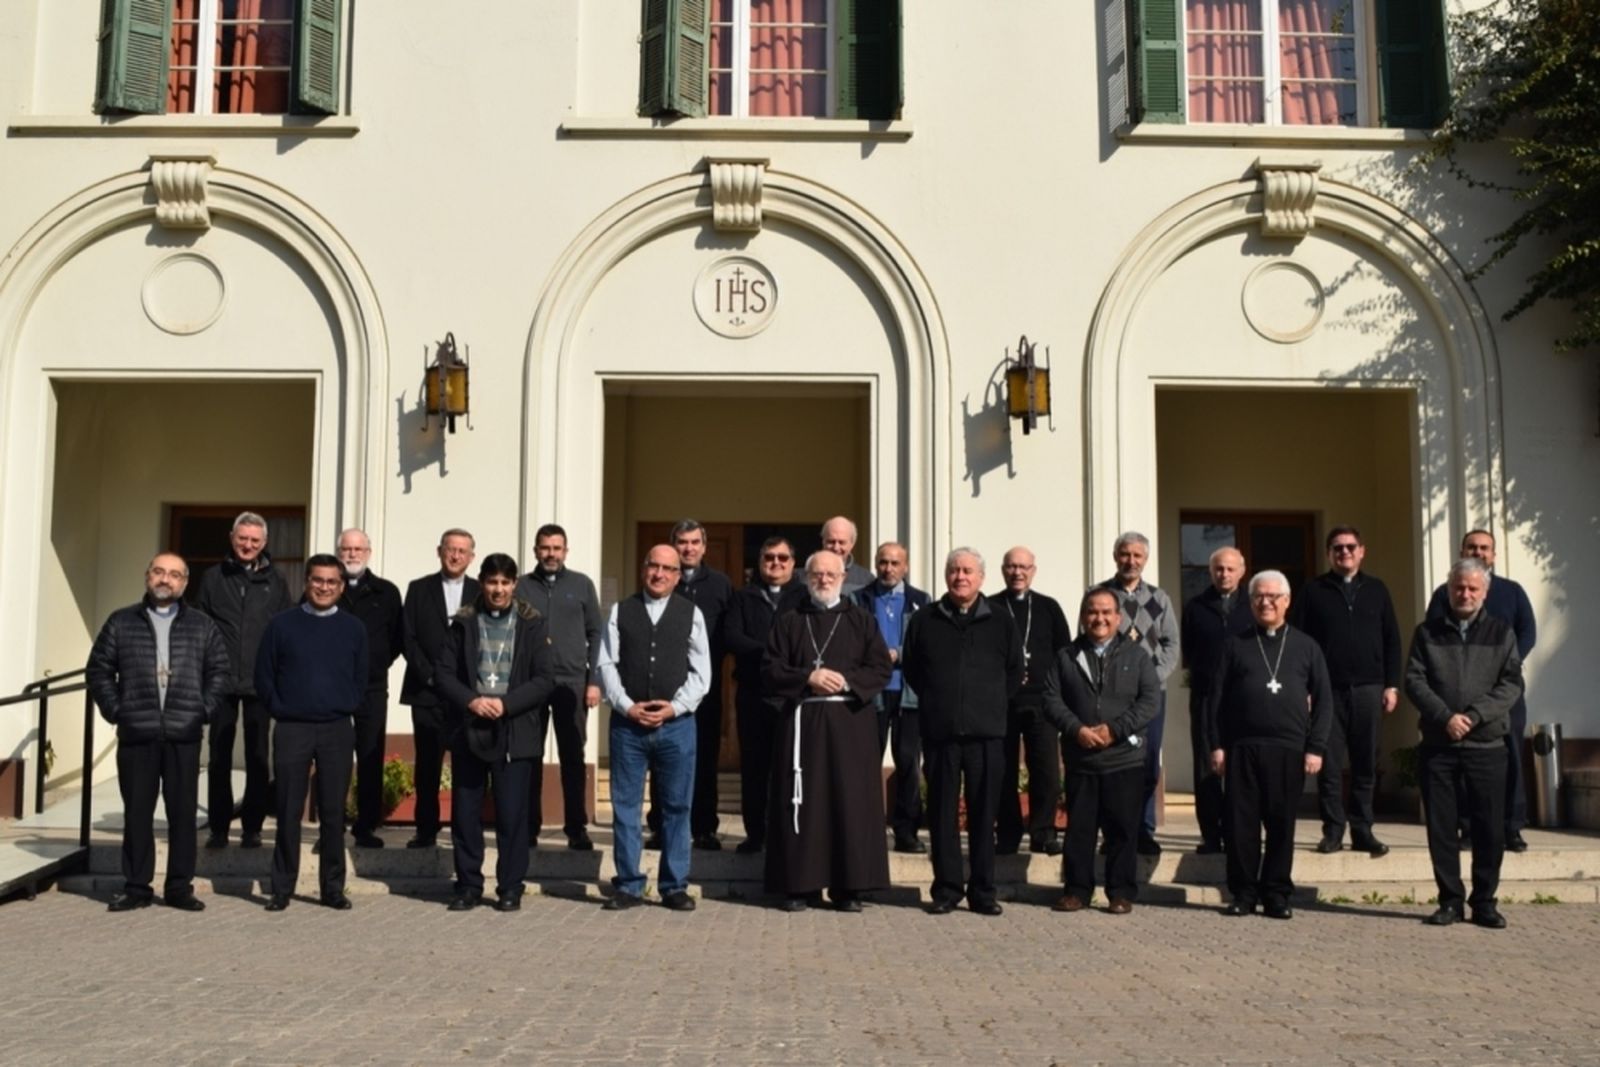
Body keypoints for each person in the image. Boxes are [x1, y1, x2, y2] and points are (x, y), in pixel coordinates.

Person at [87, 553, 230, 912]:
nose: (166, 579)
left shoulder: (202, 625)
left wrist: (202, 711)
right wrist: (118, 711)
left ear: (185, 582)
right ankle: (137, 887)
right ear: (147, 576)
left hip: (184, 734)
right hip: (138, 734)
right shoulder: (121, 622)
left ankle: (179, 888)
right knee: (137, 814)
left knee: (182, 815)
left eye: (174, 574)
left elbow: (219, 672)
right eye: (159, 572)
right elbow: (98, 670)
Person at [763, 551, 894, 911]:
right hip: (803, 722)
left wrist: (846, 682)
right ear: (806, 579)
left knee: (849, 802)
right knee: (804, 803)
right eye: (816, 574)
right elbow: (770, 668)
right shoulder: (790, 620)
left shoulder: (861, 620)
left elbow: (880, 668)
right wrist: (808, 677)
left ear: (842, 577)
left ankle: (848, 888)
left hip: (850, 724)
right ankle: (800, 886)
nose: (823, 580)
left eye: (830, 574)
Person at [902, 548, 1024, 917]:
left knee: (984, 816)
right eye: (954, 570)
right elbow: (913, 670)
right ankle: (947, 890)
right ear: (946, 575)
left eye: (968, 571)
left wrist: (989, 704)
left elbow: (1014, 671)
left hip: (987, 734)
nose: (960, 577)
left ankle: (983, 892)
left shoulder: (1001, 620)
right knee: (942, 815)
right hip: (941, 733)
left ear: (981, 577)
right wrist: (939, 701)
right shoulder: (924, 619)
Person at [1205, 570, 1331, 920]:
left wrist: (1316, 747)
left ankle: (1276, 894)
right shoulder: (1235, 645)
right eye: (1259, 596)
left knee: (1281, 825)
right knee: (1240, 826)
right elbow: (1214, 701)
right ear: (1250, 602)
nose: (1266, 602)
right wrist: (1216, 745)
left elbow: (1324, 700)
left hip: (1289, 748)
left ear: (1287, 601)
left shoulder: (1307, 647)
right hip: (1242, 747)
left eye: (1273, 596)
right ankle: (1243, 893)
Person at [434, 554, 557, 911]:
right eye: (492, 582)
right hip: (470, 727)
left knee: (512, 815)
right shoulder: (463, 622)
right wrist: (472, 701)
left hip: (514, 729)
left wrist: (506, 704)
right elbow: (443, 674)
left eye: (505, 582)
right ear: (482, 582)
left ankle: (510, 887)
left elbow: (544, 679)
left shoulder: (533, 623)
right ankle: (468, 886)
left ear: (515, 584)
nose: (498, 590)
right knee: (466, 813)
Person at [1407, 558, 1524, 929]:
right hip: (1439, 746)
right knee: (1441, 828)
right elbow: (1414, 680)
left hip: (1486, 746)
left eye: (1473, 588)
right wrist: (1445, 717)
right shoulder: (1427, 633)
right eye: (1459, 587)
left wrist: (1473, 717)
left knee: (1489, 829)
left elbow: (1511, 684)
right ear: (1448, 589)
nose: (1466, 594)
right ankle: (1450, 901)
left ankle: (1484, 902)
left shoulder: (1502, 633)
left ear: (1485, 592)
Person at [597, 545, 711, 911]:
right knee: (625, 807)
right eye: (653, 566)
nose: (659, 574)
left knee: (677, 806)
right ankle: (629, 885)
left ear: (678, 575)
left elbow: (701, 673)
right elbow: (606, 664)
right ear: (643, 568)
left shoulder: (691, 614)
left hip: (676, 727)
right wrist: (627, 706)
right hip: (628, 727)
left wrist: (673, 708)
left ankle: (674, 886)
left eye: (667, 568)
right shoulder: (621, 611)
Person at [254, 555, 369, 911]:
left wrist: (346, 704)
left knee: (333, 814)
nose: (324, 587)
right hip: (293, 728)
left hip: (336, 728)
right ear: (306, 582)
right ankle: (281, 888)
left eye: (331, 582)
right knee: (288, 810)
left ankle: (332, 888)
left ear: (341, 586)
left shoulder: (353, 628)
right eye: (317, 580)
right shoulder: (281, 625)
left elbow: (361, 676)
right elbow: (264, 675)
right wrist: (281, 708)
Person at [1041, 588, 1159, 914]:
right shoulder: (1066, 656)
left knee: (1122, 830)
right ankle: (1077, 891)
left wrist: (1114, 730)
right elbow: (1050, 699)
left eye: (1107, 612)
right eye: (1093, 612)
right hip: (1082, 759)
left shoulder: (1137, 656)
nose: (1100, 618)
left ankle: (1120, 892)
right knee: (1079, 831)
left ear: (1118, 618)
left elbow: (1150, 701)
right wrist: (1076, 729)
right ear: (1083, 617)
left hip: (1124, 759)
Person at [1290, 525, 1402, 857]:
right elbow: (1298, 642)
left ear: (1362, 551)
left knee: (1365, 762)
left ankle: (1363, 829)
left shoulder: (1377, 590)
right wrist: (1304, 687)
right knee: (1328, 763)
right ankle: (1333, 831)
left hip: (1369, 689)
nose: (1345, 552)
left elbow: (1392, 640)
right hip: (1327, 692)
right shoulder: (1313, 591)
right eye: (1337, 547)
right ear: (1329, 554)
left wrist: (1392, 684)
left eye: (1351, 547)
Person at [1424, 529, 1537, 852]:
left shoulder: (1512, 592)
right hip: (1460, 695)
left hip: (1505, 693)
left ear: (1494, 555)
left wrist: (1504, 666)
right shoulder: (1445, 594)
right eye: (1472, 547)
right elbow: (1434, 638)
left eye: (1485, 548)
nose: (1478, 552)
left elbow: (1527, 633)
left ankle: (1512, 827)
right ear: (1462, 551)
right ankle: (1470, 827)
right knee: (1463, 763)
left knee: (1511, 757)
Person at [195, 511, 291, 850]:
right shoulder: (212, 578)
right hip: (220, 681)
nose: (247, 545)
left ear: (264, 543)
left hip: (259, 681)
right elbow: (200, 626)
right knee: (218, 756)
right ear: (232, 538)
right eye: (242, 538)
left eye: (254, 540)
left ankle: (252, 827)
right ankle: (219, 828)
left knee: (258, 757)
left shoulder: (276, 581)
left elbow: (283, 630)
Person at [514, 523, 603, 851]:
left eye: (556, 548)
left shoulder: (582, 585)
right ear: (535, 550)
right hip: (531, 684)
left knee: (572, 757)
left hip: (572, 683)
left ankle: (576, 828)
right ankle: (528, 828)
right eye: (545, 548)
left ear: (566, 551)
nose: (551, 554)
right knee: (529, 755)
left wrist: (594, 681)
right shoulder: (521, 586)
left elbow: (596, 633)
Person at [645, 519, 732, 852]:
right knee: (662, 760)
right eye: (682, 542)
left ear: (704, 547)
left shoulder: (721, 585)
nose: (689, 548)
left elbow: (728, 634)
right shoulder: (662, 580)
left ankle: (705, 828)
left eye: (695, 542)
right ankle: (661, 827)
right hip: (665, 688)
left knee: (705, 759)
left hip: (706, 690)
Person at [722, 535, 808, 854]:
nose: (775, 563)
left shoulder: (804, 597)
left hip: (792, 697)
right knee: (754, 768)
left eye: (782, 558)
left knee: (790, 766)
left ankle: (787, 833)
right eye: (769, 557)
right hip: (753, 694)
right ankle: (755, 834)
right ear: (759, 562)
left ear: (793, 563)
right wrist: (771, 653)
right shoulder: (742, 597)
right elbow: (732, 636)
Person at [1097, 531, 1179, 856]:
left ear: (1145, 559)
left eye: (1137, 556)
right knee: (1111, 765)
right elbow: (1089, 640)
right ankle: (1113, 832)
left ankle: (1144, 831)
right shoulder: (1100, 596)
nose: (1130, 561)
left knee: (1147, 764)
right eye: (1125, 554)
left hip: (1150, 697)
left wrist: (1148, 681)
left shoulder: (1160, 598)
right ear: (1115, 556)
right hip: (1111, 696)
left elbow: (1171, 646)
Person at [399, 528, 480, 849]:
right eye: (450, 549)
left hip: (466, 695)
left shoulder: (480, 591)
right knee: (427, 766)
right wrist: (432, 676)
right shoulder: (418, 589)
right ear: (439, 551)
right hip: (426, 692)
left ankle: (464, 832)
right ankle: (426, 829)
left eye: (462, 551)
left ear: (471, 556)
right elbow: (408, 637)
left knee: (466, 767)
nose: (455, 555)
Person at [991, 546, 1072, 857]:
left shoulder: (1049, 608)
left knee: (1046, 770)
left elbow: (1064, 653)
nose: (1017, 572)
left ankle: (1043, 832)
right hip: (1001, 702)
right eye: (1012, 566)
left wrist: (1061, 696)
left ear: (1033, 571)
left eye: (1023, 567)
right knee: (1003, 770)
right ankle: (1008, 834)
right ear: (1003, 570)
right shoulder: (990, 606)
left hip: (1042, 702)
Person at [853, 540, 932, 853]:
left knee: (909, 762)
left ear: (906, 566)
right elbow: (852, 641)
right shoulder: (859, 599)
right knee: (865, 762)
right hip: (871, 694)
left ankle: (906, 831)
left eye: (895, 563)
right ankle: (865, 829)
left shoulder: (921, 601)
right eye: (883, 562)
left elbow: (926, 644)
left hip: (908, 693)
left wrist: (898, 652)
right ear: (876, 564)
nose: (888, 569)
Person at [1179, 546, 1254, 854]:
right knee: (1206, 766)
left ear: (1242, 571)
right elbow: (1189, 652)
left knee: (1241, 767)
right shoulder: (1196, 607)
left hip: (1244, 698)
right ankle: (1211, 834)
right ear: (1210, 572)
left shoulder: (1253, 605)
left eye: (1230, 569)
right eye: (1218, 569)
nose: (1224, 574)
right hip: (1206, 697)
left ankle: (1238, 832)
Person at [335, 528, 404, 848]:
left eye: (358, 549)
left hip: (372, 687)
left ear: (368, 553)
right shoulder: (325, 586)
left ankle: (366, 827)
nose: (352, 554)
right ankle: (332, 828)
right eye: (346, 549)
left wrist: (374, 665)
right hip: (331, 687)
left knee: (370, 756)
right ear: (339, 552)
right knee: (333, 758)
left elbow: (397, 639)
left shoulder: (386, 592)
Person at [822, 515, 875, 597]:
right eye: (831, 542)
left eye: (841, 542)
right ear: (823, 542)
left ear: (852, 544)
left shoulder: (865, 579)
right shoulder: (805, 577)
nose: (836, 548)